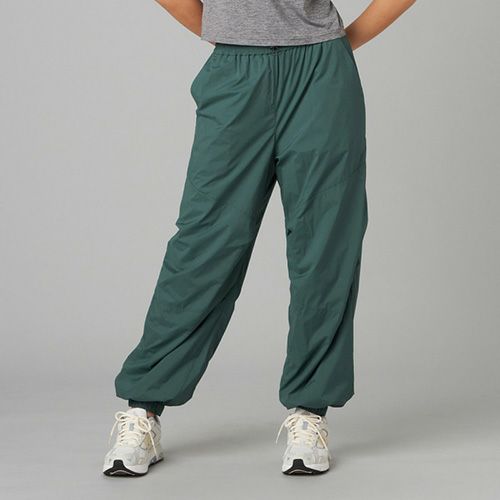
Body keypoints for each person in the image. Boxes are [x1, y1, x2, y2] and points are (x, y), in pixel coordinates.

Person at [103, 0, 416, 477]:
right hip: (235, 70)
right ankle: (143, 407)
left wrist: (341, 42)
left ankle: (309, 411)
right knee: (206, 242)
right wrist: (223, 29)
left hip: (321, 73)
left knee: (326, 244)